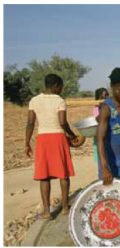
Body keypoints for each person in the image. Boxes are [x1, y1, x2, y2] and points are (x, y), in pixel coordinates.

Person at [25, 73, 77, 219]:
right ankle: (65, 207)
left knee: (44, 176)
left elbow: (30, 123)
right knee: (63, 173)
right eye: (60, 87)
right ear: (55, 86)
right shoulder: (59, 100)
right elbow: (62, 122)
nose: (61, 89)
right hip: (58, 138)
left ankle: (47, 211)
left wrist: (27, 142)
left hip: (42, 139)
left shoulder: (34, 100)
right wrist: (72, 136)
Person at [92, 87, 109, 174]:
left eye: (106, 96)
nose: (105, 99)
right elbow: (97, 120)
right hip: (100, 137)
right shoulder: (96, 109)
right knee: (101, 159)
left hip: (109, 136)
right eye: (103, 97)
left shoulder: (110, 107)